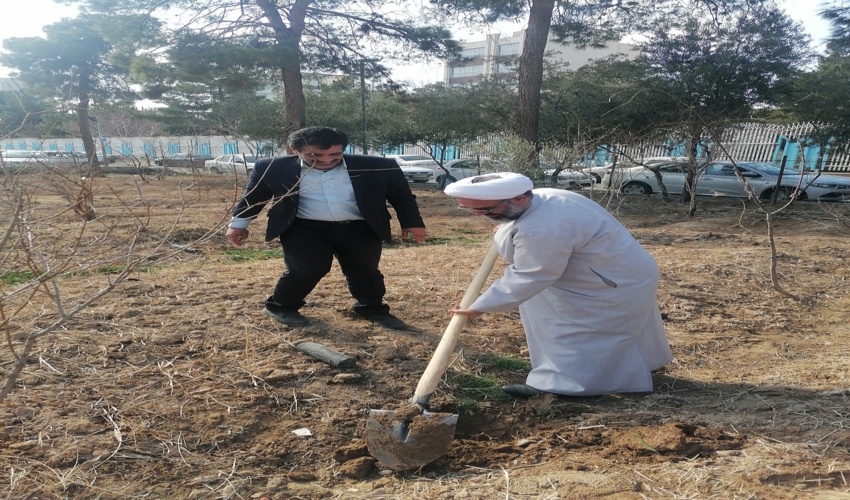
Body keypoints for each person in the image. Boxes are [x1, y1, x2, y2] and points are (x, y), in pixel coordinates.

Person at [445, 172, 673, 398]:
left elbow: (529, 274)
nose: (478, 215)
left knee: (574, 332)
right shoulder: (545, 197)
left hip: (605, 282)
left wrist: (480, 306)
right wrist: (504, 226)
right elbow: (524, 228)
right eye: (469, 209)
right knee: (618, 330)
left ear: (518, 199)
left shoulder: (543, 227)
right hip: (615, 270)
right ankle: (628, 371)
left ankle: (568, 385)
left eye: (486, 210)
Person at [225, 126, 426, 330]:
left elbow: (402, 196)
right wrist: (238, 225)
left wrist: (412, 223)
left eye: (335, 154)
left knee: (364, 269)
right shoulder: (272, 167)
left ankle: (372, 309)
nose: (327, 160)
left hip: (360, 227)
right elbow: (254, 198)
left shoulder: (378, 166)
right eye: (315, 155)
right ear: (295, 150)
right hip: (304, 228)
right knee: (306, 269)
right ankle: (280, 306)